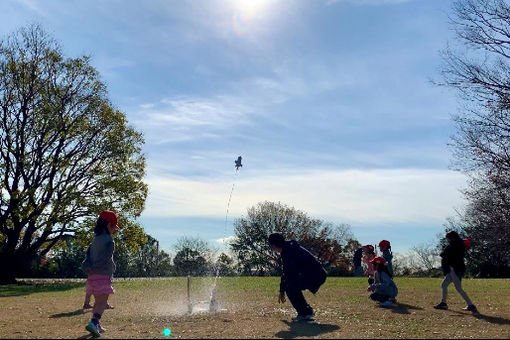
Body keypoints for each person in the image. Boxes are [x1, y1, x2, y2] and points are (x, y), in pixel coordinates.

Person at [268, 233, 327, 322]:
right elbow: (287, 272)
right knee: (291, 285)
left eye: (271, 246)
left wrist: (282, 290)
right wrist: (281, 290)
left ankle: (305, 313)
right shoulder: (288, 248)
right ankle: (306, 311)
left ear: (274, 245)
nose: (271, 248)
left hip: (316, 275)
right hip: (316, 274)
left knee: (290, 287)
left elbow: (288, 274)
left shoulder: (288, 251)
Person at [82, 210, 120, 337]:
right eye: (114, 227)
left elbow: (88, 255)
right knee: (103, 303)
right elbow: (106, 258)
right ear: (109, 225)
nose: (115, 230)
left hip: (92, 276)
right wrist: (110, 267)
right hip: (103, 275)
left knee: (97, 302)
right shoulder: (109, 241)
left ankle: (97, 324)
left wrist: (88, 267)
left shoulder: (95, 240)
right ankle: (93, 322)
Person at [434, 230, 478, 313]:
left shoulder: (453, 246)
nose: (447, 240)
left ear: (452, 238)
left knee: (458, 288)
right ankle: (443, 303)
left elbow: (443, 254)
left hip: (453, 269)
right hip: (457, 269)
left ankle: (471, 305)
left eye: (448, 238)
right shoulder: (460, 245)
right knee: (444, 285)